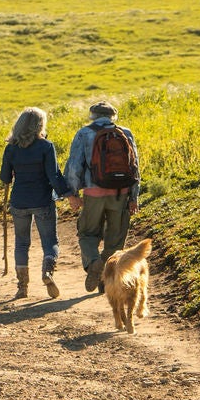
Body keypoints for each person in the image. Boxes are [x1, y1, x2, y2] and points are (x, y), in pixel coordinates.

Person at [63, 102, 141, 294]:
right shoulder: (125, 133)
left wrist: (72, 193)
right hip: (120, 193)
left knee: (88, 233)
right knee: (115, 239)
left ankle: (93, 262)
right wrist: (134, 197)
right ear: (113, 116)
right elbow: (135, 166)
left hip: (93, 193)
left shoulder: (84, 133)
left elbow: (74, 166)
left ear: (92, 116)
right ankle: (105, 279)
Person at [0, 107, 72, 299]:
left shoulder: (11, 148)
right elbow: (54, 176)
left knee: (22, 243)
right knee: (50, 242)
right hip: (42, 201)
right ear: (40, 125)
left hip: (19, 202)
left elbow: (4, 177)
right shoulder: (46, 146)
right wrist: (68, 194)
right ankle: (47, 271)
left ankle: (22, 287)